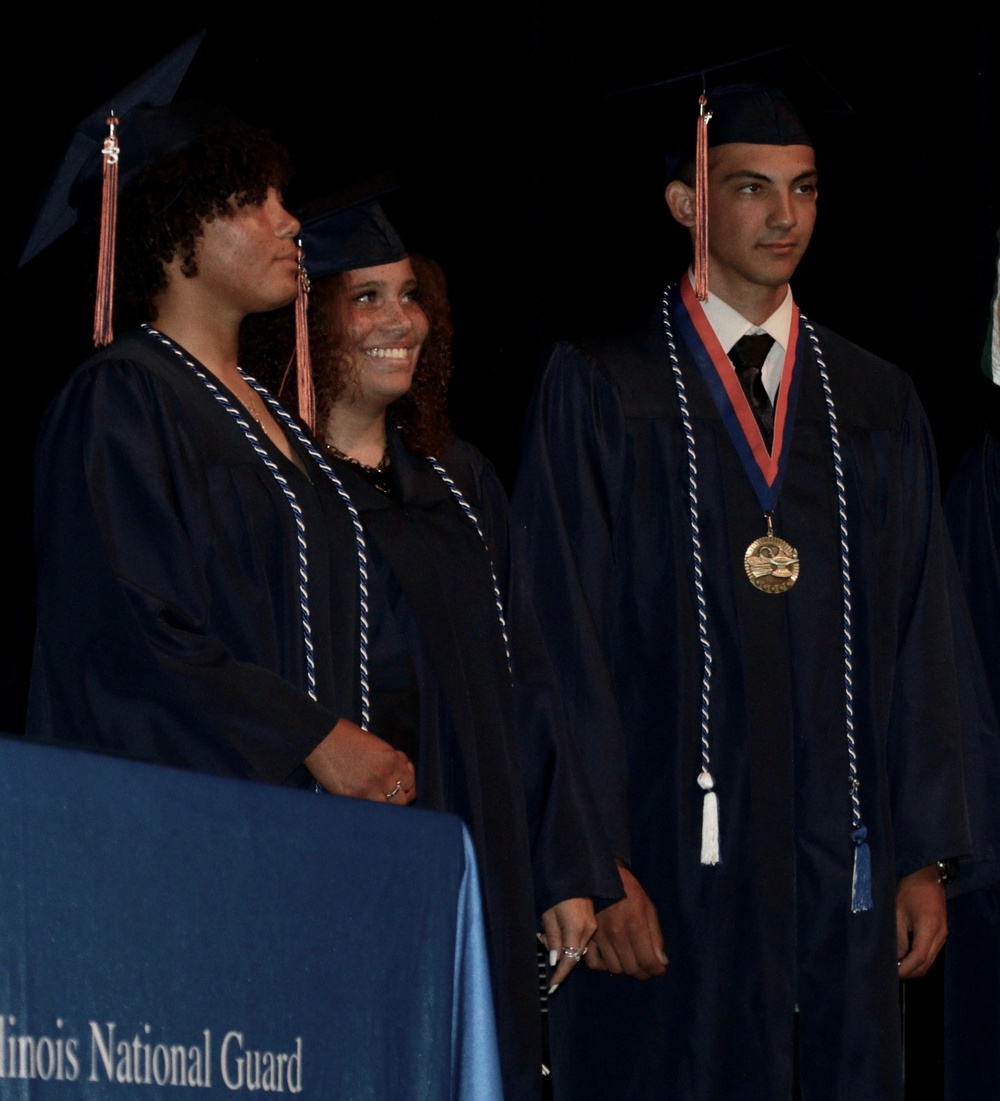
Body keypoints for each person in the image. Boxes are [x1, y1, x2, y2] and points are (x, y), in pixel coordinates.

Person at [512, 83, 971, 1100]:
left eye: (804, 190)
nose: (785, 217)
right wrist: (589, 863)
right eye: (752, 189)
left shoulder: (875, 402)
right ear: (687, 205)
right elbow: (557, 638)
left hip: (835, 868)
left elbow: (919, 636)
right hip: (664, 866)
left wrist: (922, 856)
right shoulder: (605, 388)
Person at [240, 195, 621, 1101]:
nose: (396, 320)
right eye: (365, 298)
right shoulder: (273, 490)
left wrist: (562, 866)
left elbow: (531, 678)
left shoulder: (462, 482)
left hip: (478, 850)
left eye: (408, 296)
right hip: (341, 854)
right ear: (308, 316)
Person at [28, 102, 416, 805]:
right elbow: (130, 636)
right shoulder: (121, 399)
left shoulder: (281, 422)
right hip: (195, 825)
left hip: (321, 831)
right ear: (175, 229)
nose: (290, 220)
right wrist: (311, 736)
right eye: (251, 201)